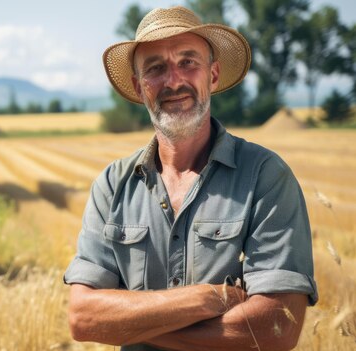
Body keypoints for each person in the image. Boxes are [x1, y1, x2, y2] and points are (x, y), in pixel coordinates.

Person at [63, 6, 318, 351]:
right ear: (139, 88)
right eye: (155, 68)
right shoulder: (112, 185)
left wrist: (127, 324)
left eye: (188, 62)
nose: (173, 81)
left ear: (212, 75)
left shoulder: (265, 177)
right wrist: (206, 299)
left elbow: (276, 328)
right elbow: (82, 317)